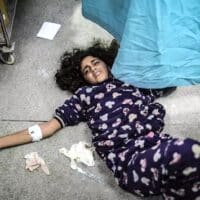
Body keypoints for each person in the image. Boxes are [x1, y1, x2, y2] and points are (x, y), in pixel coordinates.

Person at [0, 41, 199, 200]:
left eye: (95, 62)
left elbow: (169, 80)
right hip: (128, 161)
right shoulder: (84, 96)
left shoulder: (132, 82)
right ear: (83, 79)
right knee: (189, 152)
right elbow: (48, 128)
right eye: (86, 70)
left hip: (156, 144)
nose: (93, 69)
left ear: (106, 62)